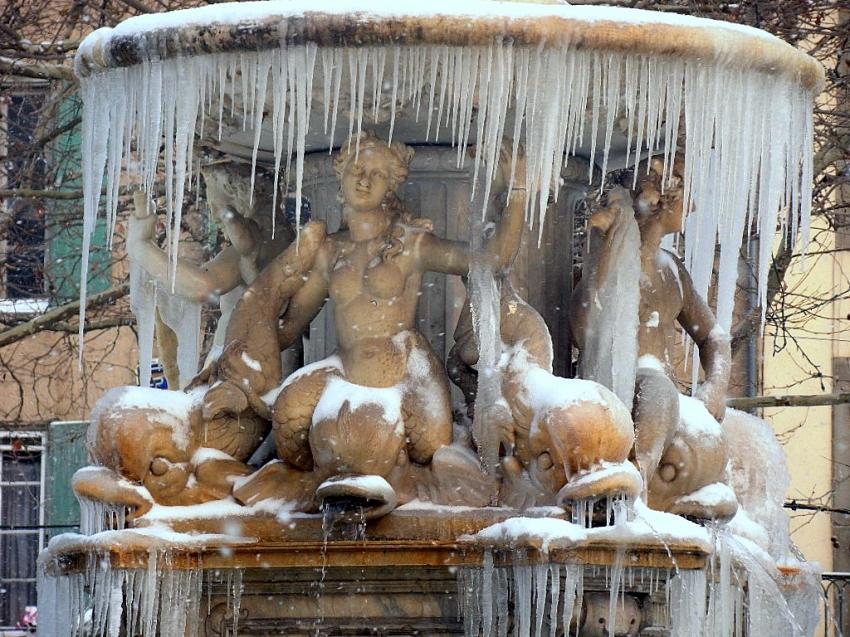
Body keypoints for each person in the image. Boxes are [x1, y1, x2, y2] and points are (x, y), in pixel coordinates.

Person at [570, 158, 731, 494]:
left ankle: (638, 480)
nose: (693, 205)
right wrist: (608, 255)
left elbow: (713, 336)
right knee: (656, 389)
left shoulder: (671, 269)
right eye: (686, 189)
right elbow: (582, 329)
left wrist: (714, 387)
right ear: (659, 195)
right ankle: (634, 489)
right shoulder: (602, 256)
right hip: (615, 389)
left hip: (664, 399)